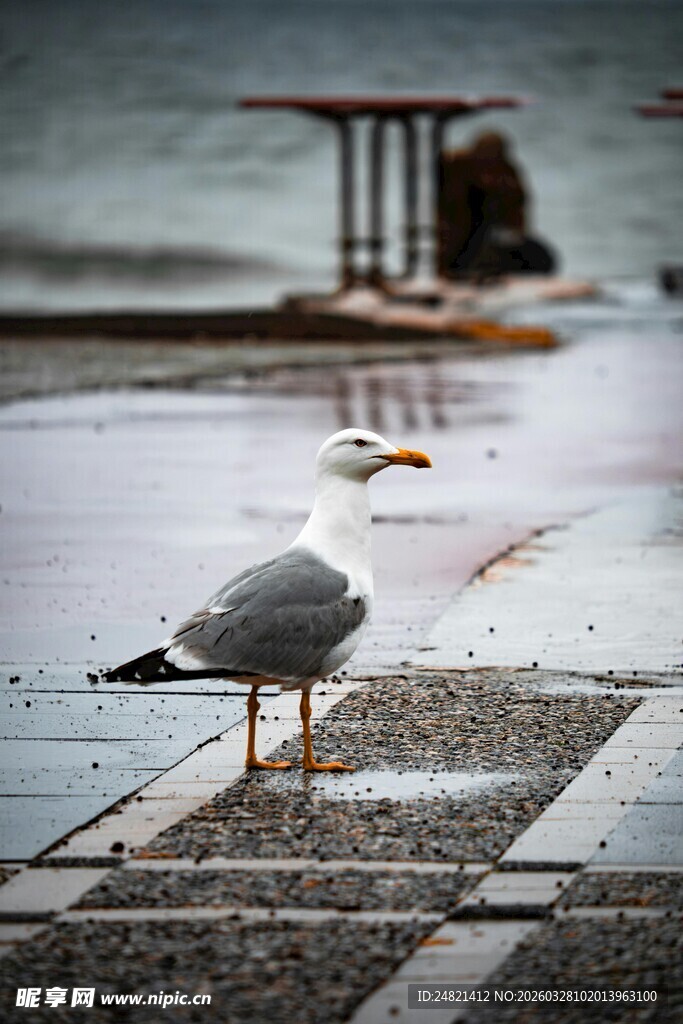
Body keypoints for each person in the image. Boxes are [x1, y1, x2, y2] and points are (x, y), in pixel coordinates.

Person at [438, 131, 556, 279]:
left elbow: (518, 224)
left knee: (539, 257)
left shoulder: (507, 177)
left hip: (488, 240)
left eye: (493, 164)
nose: (488, 174)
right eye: (483, 163)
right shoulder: (454, 167)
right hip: (455, 241)